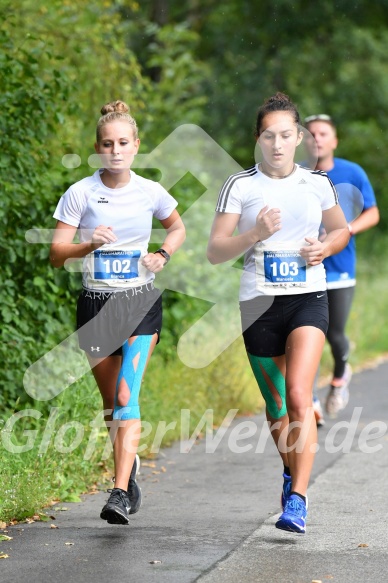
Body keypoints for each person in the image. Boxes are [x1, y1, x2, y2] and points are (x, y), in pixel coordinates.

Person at [207, 93, 349, 534]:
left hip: (309, 297)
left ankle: (299, 500)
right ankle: (291, 472)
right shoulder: (241, 185)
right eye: (269, 135)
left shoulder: (317, 183)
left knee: (299, 396)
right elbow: (215, 250)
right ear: (258, 139)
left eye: (286, 135)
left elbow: (341, 229)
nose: (277, 144)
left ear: (299, 138)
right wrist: (255, 233)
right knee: (275, 407)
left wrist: (325, 246)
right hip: (258, 305)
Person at [50, 100, 185, 525]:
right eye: (107, 144)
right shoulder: (81, 193)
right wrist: (90, 243)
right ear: (97, 148)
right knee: (112, 407)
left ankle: (119, 492)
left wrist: (163, 253)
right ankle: (130, 471)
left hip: (139, 301)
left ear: (136, 145)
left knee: (127, 396)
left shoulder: (149, 190)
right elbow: (56, 255)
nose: (116, 150)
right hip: (95, 305)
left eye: (123, 142)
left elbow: (177, 227)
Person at [304, 114, 379, 420]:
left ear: (334, 141)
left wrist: (345, 228)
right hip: (306, 267)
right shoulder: (296, 174)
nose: (317, 138)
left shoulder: (352, 172)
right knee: (309, 334)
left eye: (323, 133)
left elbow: (372, 214)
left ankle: (339, 377)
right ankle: (310, 402)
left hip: (339, 268)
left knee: (335, 334)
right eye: (311, 134)